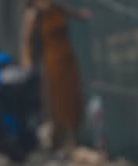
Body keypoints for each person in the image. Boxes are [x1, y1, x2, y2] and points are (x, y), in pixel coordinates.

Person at [20, 0, 90, 157]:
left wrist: (84, 15)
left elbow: (77, 15)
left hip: (67, 57)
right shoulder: (34, 14)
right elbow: (26, 40)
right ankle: (58, 140)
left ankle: (73, 139)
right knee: (57, 101)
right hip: (52, 60)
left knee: (72, 97)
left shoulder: (58, 9)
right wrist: (27, 62)